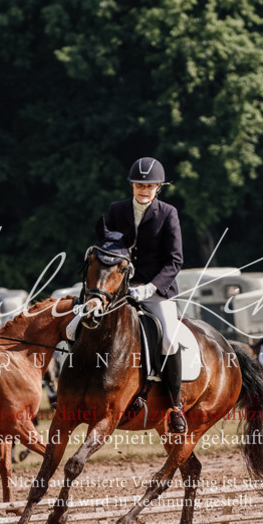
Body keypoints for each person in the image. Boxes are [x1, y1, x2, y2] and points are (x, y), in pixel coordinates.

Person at [104, 157, 187, 434]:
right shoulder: (116, 210)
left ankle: (176, 406)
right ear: (132, 185)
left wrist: (151, 287)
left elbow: (175, 260)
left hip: (155, 290)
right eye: (140, 185)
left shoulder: (168, 213)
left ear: (158, 187)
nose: (144, 189)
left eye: (149, 186)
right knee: (87, 322)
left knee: (169, 338)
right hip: (120, 288)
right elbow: (108, 248)